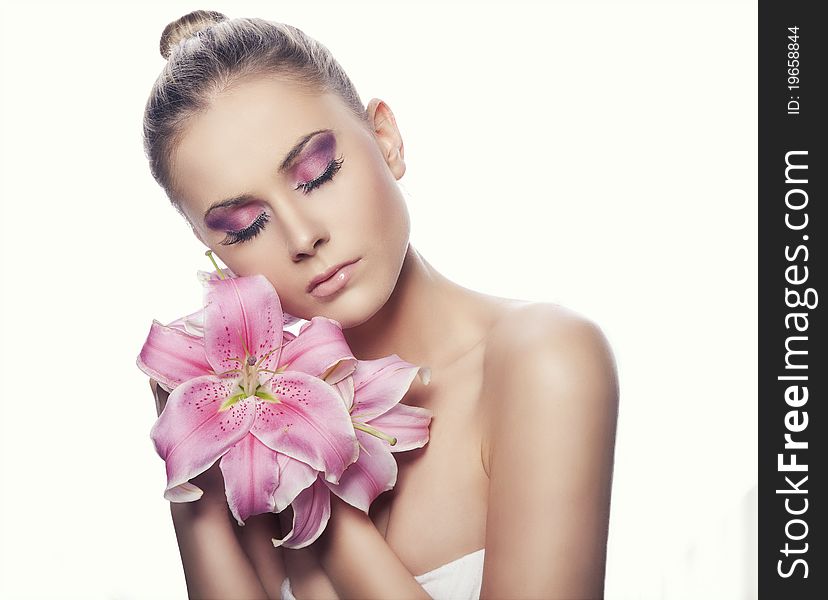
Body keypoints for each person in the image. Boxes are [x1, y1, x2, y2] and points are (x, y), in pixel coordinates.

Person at [143, 10, 619, 600]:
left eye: (317, 174)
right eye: (245, 226)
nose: (301, 237)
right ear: (214, 255)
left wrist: (318, 481)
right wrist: (188, 449)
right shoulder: (245, 449)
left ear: (386, 139)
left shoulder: (544, 360)